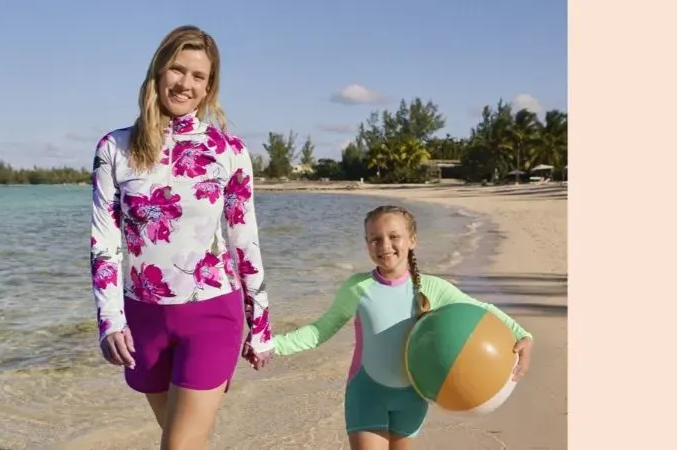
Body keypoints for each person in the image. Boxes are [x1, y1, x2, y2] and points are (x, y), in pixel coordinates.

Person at [89, 25, 273, 449]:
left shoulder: (229, 151)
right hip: (143, 322)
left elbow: (244, 240)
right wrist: (109, 321)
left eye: (199, 76)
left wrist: (260, 323)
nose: (185, 84)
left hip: (211, 314)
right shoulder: (114, 149)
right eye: (177, 69)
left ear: (209, 87)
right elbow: (104, 244)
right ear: (158, 71)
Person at [272, 205, 533, 450]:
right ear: (367, 245)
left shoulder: (432, 288)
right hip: (367, 394)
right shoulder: (357, 287)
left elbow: (480, 309)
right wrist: (273, 345)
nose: (385, 245)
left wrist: (523, 335)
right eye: (375, 239)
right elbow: (321, 330)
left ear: (412, 240)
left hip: (413, 396)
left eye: (394, 236)